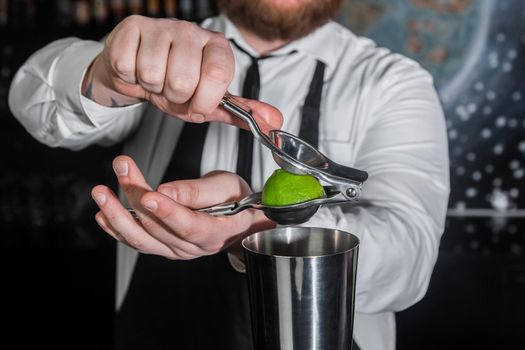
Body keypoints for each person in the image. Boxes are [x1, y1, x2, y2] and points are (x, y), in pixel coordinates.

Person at [8, 0, 450, 349]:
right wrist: (107, 73)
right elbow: (33, 101)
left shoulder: (393, 82)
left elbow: (408, 259)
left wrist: (262, 228)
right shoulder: (159, 53)